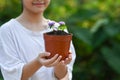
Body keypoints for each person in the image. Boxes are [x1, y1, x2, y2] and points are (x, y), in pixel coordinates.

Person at [0, 0, 76, 80]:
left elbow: (64, 77)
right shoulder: (7, 31)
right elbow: (12, 76)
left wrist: (60, 63)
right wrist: (38, 62)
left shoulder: (59, 28)